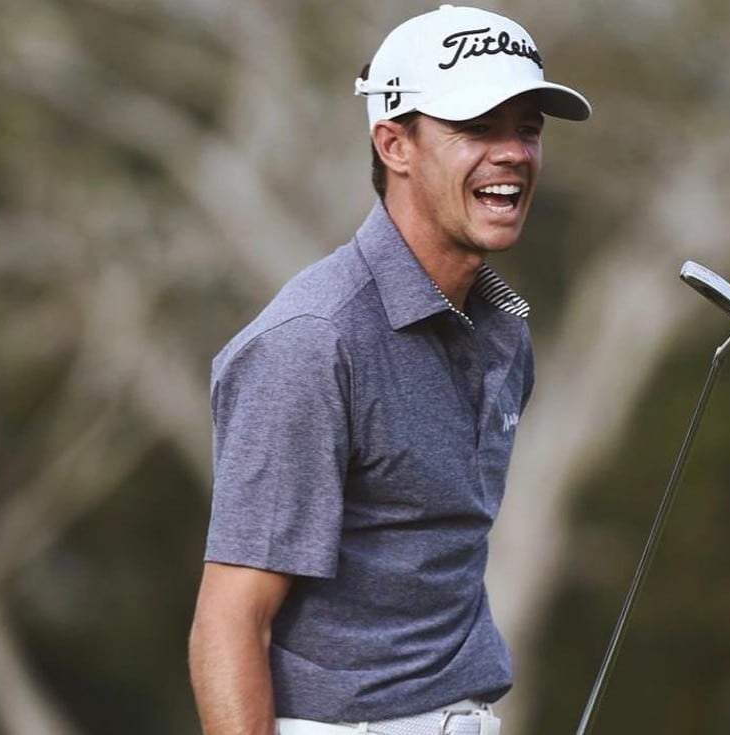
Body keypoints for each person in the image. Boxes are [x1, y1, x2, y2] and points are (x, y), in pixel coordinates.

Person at [189, 5, 590, 734]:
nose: (512, 153)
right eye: (476, 127)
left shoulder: (503, 331)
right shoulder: (314, 341)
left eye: (527, 130)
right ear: (394, 143)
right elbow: (230, 620)